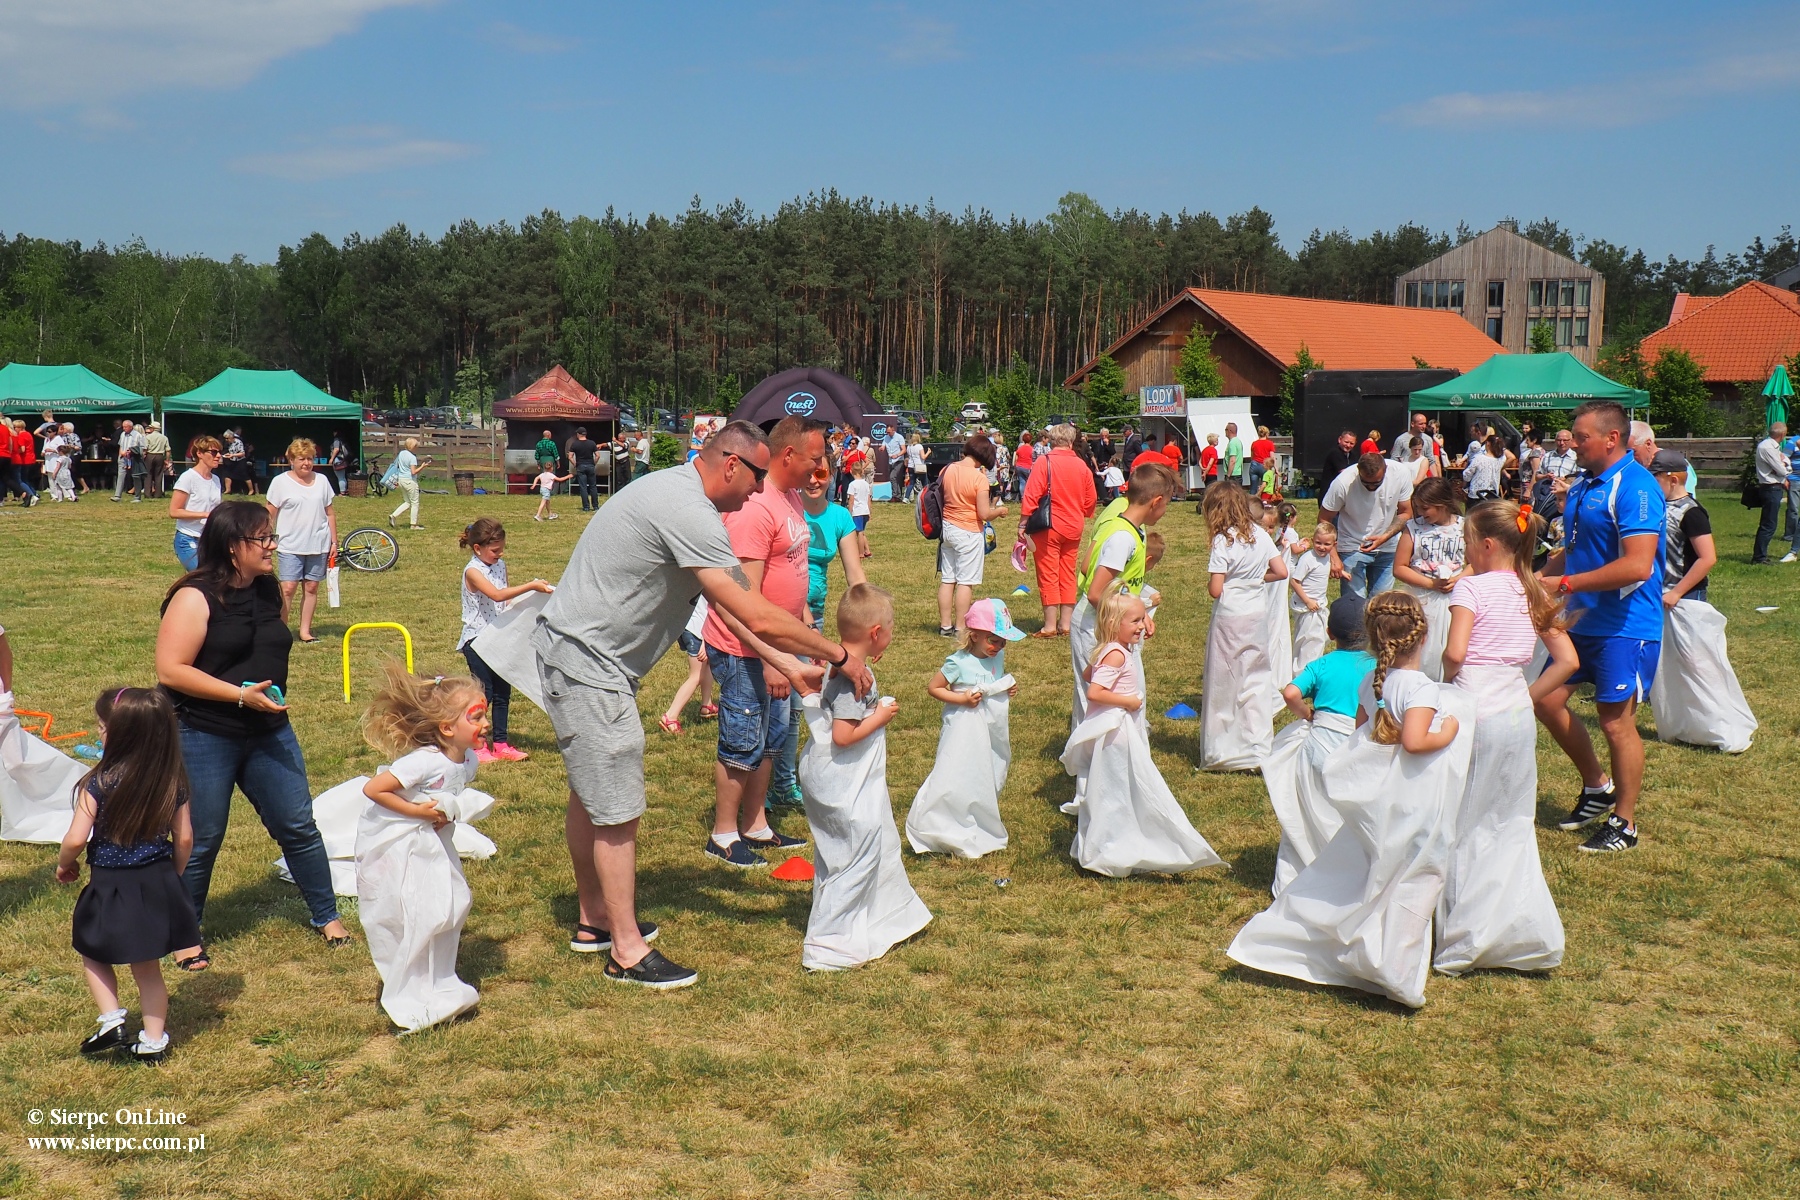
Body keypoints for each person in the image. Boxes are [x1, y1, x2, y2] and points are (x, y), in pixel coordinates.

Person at [535, 419, 871, 986]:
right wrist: (841, 656)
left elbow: (740, 612)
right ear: (732, 464)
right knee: (617, 805)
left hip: (581, 656)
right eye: (758, 475)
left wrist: (789, 664)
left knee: (590, 792)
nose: (760, 488)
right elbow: (758, 612)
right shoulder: (688, 509)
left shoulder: (684, 497)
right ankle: (625, 950)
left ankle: (595, 919)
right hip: (588, 665)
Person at [1226, 590, 1470, 1009]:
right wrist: (1448, 731)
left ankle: (1367, 950)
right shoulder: (1423, 690)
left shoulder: (1373, 682)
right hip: (1413, 797)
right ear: (1424, 637)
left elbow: (1362, 733)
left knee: (1377, 871)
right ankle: (1395, 967)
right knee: (1413, 877)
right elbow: (1413, 742)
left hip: (1383, 797)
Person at [154, 501, 353, 970]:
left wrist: (262, 694)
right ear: (231, 546)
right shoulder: (194, 596)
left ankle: (327, 917)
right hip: (204, 732)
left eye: (272, 537)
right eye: (262, 539)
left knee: (298, 826)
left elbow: (270, 639)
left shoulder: (267, 590)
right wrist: (239, 695)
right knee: (199, 838)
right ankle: (184, 934)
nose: (272, 546)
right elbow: (170, 669)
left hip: (269, 729)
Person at [1436, 500, 1577, 975]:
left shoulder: (1470, 589)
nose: (1465, 552)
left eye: (1467, 544)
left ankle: (1461, 929)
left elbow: (1456, 652)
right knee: (1509, 816)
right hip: (1514, 711)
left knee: (1463, 813)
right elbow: (1568, 661)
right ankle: (1514, 923)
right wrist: (1524, 693)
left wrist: (1445, 679)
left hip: (1473, 706)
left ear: (1487, 545)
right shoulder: (1531, 588)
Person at [1536, 400, 1666, 854]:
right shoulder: (1584, 486)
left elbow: (1637, 566)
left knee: (1616, 724)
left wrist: (1564, 582)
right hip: (1580, 620)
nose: (1571, 442)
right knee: (1547, 700)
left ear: (1612, 439)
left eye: (1581, 436)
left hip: (1626, 626)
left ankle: (1624, 823)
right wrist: (1537, 579)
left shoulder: (1637, 487)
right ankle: (1597, 786)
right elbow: (1571, 549)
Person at [700, 417, 830, 868]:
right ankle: (723, 833)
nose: (821, 465)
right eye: (815, 456)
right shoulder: (755, 508)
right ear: (788, 454)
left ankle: (756, 825)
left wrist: (806, 629)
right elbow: (742, 596)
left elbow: (790, 569)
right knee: (742, 739)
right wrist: (772, 658)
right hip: (746, 649)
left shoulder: (790, 496)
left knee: (772, 739)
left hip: (780, 644)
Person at [56, 687, 201, 1063]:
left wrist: (63, 863)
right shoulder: (172, 781)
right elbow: (184, 837)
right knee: (147, 967)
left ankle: (111, 1019)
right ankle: (153, 1042)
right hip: (156, 880)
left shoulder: (99, 782)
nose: (99, 732)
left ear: (117, 734)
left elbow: (75, 838)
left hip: (110, 884)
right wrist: (174, 875)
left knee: (92, 950)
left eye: (101, 726)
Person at [795, 584, 931, 969]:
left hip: (838, 779)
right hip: (842, 783)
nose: (891, 634)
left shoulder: (839, 666)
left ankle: (865, 920)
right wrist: (879, 716)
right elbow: (842, 736)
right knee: (855, 854)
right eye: (890, 628)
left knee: (852, 851)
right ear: (875, 633)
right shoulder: (853, 678)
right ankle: (829, 945)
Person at [356, 665, 498, 1032]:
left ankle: (438, 978)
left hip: (436, 843)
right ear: (448, 728)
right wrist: (418, 811)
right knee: (420, 909)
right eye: (477, 716)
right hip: (404, 845)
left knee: (453, 903)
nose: (486, 723)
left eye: (486, 714)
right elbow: (374, 790)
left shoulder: (467, 760)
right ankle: (411, 986)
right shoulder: (424, 761)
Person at [1061, 585, 1223, 877]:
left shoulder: (1112, 650)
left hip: (1120, 730)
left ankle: (1111, 839)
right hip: (1118, 732)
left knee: (1115, 786)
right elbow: (1095, 691)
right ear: (1114, 625)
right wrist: (1127, 700)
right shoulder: (1117, 656)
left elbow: (1089, 673)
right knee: (1122, 785)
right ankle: (1116, 842)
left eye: (1142, 619)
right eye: (1135, 621)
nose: (1142, 625)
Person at [1645, 449, 1757, 752]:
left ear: (1672, 478)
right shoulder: (1657, 507)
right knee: (1671, 666)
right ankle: (1685, 723)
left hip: (1685, 598)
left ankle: (1721, 724)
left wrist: (1678, 591)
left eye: (1653, 476)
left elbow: (1707, 558)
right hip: (1662, 597)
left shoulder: (1691, 512)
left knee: (1698, 662)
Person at [1266, 596, 1373, 894]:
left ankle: (1297, 877)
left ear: (1329, 633)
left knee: (1308, 811)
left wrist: (1307, 713)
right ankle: (1343, 879)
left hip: (1319, 745)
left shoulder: (1321, 664)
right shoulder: (1378, 667)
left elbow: (1290, 694)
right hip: (1354, 746)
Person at [908, 598, 1022, 858]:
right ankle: (941, 818)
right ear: (974, 636)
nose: (999, 646)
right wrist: (961, 698)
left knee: (982, 768)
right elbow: (934, 688)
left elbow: (993, 682)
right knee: (956, 767)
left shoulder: (997, 656)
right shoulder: (957, 662)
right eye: (993, 640)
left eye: (1003, 641)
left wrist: (1007, 687)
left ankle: (977, 813)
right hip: (962, 724)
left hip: (988, 725)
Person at [1070, 463, 1173, 733]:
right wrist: (1126, 622)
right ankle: (1092, 767)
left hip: (1112, 626)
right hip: (1096, 628)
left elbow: (1086, 567)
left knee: (1125, 690)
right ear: (1156, 502)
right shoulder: (1122, 537)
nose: (1164, 512)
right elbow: (1095, 592)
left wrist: (1138, 616)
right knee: (1100, 700)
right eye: (1166, 505)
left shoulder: (1131, 530)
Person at [1199, 482, 1287, 771]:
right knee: (1255, 678)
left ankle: (1221, 748)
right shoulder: (1261, 535)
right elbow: (1281, 571)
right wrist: (1254, 579)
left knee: (1224, 680)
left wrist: (1234, 582)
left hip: (1230, 615)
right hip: (1256, 614)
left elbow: (1215, 589)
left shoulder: (1223, 541)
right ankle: (1257, 745)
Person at [459, 517, 554, 763]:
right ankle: (475, 745)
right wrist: (530, 585)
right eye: (494, 550)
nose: (499, 554)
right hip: (477, 641)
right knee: (484, 694)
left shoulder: (500, 566)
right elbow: (497, 594)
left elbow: (506, 600)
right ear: (477, 548)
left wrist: (535, 598)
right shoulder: (472, 571)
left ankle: (501, 743)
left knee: (503, 693)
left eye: (502, 549)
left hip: (500, 637)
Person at [1021, 424, 1096, 639]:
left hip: (1049, 526)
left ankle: (1049, 625)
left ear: (1052, 441)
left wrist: (1022, 523)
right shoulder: (1082, 466)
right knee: (1067, 572)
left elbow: (1031, 495)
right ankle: (1066, 624)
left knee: (1048, 574)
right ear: (1072, 442)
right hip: (1074, 525)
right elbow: (1090, 501)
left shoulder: (1044, 462)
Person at [1391, 476, 1466, 680]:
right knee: (1423, 646)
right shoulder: (1413, 528)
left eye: (1425, 508)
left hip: (1456, 597)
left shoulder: (1465, 527)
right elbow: (1399, 567)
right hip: (1422, 597)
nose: (1421, 514)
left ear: (1442, 505)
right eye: (1419, 508)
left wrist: (1459, 578)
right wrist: (1431, 584)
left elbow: (1478, 563)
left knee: (1452, 642)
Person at [264, 439, 338, 644]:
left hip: (318, 544)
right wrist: (265, 537)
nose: (306, 463)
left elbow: (329, 513)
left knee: (312, 587)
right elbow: (270, 513)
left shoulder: (322, 480)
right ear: (291, 460)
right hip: (290, 545)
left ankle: (305, 631)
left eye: (310, 458)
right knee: (288, 588)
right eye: (301, 459)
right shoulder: (280, 483)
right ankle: (282, 631)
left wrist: (334, 542)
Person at [936, 434, 1006, 637]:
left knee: (948, 579)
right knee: (966, 581)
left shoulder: (947, 469)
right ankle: (960, 627)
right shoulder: (979, 478)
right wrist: (999, 511)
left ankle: (945, 625)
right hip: (968, 531)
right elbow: (984, 513)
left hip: (947, 529)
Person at [1318, 452, 1414, 600]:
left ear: (1385, 470)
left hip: (1387, 548)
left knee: (1381, 607)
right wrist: (1334, 557)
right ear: (1358, 471)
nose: (1371, 487)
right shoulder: (1343, 482)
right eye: (1365, 482)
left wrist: (1384, 537)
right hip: (1352, 548)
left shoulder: (1400, 473)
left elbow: (1406, 512)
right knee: (1354, 607)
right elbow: (1324, 518)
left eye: (1376, 483)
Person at [659, 598, 717, 735]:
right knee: (696, 676)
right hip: (698, 631)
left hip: (687, 626)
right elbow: (710, 611)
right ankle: (670, 716)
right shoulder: (714, 580)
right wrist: (706, 640)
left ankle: (707, 705)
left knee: (707, 665)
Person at [168, 436, 225, 571]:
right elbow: (174, 511)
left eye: (219, 452)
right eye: (213, 452)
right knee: (202, 575)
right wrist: (205, 514)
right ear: (199, 454)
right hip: (187, 539)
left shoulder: (216, 479)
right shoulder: (188, 478)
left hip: (209, 539)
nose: (218, 456)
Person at [1288, 521, 1334, 672]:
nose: (1322, 547)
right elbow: (1294, 581)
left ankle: (1311, 666)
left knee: (1322, 636)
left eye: (1327, 544)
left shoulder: (1326, 557)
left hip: (1319, 605)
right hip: (1307, 606)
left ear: (1334, 544)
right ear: (1313, 541)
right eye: (1318, 543)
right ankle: (1302, 671)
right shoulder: (1308, 559)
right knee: (1308, 638)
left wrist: (1343, 574)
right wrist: (1307, 601)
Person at [1752, 421, 1787, 565]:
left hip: (1773, 486)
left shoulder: (1771, 446)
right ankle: (1759, 556)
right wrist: (1783, 465)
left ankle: (1760, 554)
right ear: (1783, 434)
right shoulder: (1768, 447)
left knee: (1769, 522)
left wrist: (1782, 464)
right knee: (1769, 524)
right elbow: (1782, 469)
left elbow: (1782, 465)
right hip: (1771, 487)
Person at [387, 436, 428, 530]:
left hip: (401, 480)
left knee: (407, 502)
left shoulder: (401, 453)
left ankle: (393, 515)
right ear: (412, 447)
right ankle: (413, 525)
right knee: (415, 503)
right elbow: (413, 472)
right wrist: (423, 466)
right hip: (410, 481)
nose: (416, 448)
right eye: (415, 446)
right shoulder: (412, 457)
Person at [1463, 434, 1506, 501]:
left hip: (1477, 493)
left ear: (1488, 443)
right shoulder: (1501, 460)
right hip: (1493, 492)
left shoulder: (1478, 458)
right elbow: (1509, 456)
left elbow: (1467, 475)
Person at [566, 427, 601, 510]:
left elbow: (570, 456)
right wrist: (593, 463)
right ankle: (595, 506)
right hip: (590, 466)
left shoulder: (575, 444)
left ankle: (586, 507)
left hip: (580, 466)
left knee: (583, 487)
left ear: (578, 434)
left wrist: (575, 463)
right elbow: (598, 455)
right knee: (593, 486)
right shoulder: (592, 443)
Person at [111, 419, 144, 503]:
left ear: (131, 427)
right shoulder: (122, 434)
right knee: (121, 475)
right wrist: (121, 454)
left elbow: (143, 448)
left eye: (125, 427)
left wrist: (132, 451)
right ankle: (117, 496)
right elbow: (121, 445)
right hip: (123, 458)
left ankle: (137, 497)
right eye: (123, 427)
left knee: (136, 477)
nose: (124, 428)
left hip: (134, 459)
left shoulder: (138, 435)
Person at [846, 460, 874, 558]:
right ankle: (867, 551)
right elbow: (868, 499)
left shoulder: (852, 485)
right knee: (861, 532)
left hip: (857, 512)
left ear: (851, 471)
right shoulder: (866, 484)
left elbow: (851, 501)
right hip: (865, 511)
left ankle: (861, 553)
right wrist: (869, 511)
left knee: (859, 533)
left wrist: (849, 512)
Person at [142, 423, 171, 499]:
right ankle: (158, 494)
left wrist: (143, 456)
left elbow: (145, 448)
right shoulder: (164, 438)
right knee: (158, 475)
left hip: (150, 455)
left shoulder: (148, 437)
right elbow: (168, 450)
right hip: (160, 456)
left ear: (153, 428)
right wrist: (167, 460)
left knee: (148, 474)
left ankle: (147, 493)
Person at [883, 425, 908, 503]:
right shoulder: (886, 438)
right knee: (894, 479)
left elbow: (904, 450)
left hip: (898, 460)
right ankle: (898, 496)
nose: (888, 434)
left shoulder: (899, 437)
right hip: (891, 461)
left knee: (892, 477)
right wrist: (882, 448)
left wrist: (897, 455)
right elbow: (883, 445)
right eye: (887, 432)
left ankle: (895, 495)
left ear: (893, 430)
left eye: (889, 432)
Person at [1012, 433, 1035, 502]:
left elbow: (1016, 458)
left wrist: (1015, 468)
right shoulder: (1032, 449)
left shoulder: (1020, 448)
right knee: (1030, 482)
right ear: (1031, 440)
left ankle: (1022, 497)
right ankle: (1029, 497)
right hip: (1028, 467)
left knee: (1022, 482)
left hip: (1019, 467)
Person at [904, 435, 928, 501]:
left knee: (911, 483)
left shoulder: (909, 447)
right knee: (925, 483)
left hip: (911, 466)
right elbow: (923, 457)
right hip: (919, 466)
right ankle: (926, 497)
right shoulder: (919, 446)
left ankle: (906, 498)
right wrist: (928, 452)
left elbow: (908, 456)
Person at [1224, 422, 1246, 486]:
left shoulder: (1232, 443)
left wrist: (1228, 475)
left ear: (1229, 431)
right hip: (1237, 473)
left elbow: (1232, 460)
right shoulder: (1238, 441)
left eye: (1226, 430)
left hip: (1233, 475)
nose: (1225, 432)